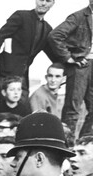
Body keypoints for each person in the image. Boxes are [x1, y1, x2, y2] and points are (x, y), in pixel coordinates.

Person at [0, 0, 58, 93]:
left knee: (24, 105)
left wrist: (68, 66)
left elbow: (52, 54)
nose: (43, 3)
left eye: (48, 1)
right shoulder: (21, 16)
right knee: (1, 104)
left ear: (53, 4)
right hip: (5, 73)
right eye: (41, 0)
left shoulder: (47, 29)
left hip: (23, 75)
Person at [49, 4, 93, 135]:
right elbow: (54, 36)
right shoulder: (78, 17)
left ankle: (84, 144)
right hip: (80, 67)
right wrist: (68, 57)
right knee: (72, 109)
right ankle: (67, 148)